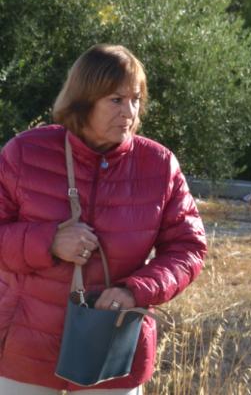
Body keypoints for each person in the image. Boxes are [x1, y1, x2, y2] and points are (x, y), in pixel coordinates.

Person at [0, 44, 207, 394]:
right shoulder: (25, 153)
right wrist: (49, 242)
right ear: (83, 99)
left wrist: (135, 291)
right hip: (25, 350)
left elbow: (188, 248)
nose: (129, 112)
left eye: (135, 99)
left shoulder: (159, 165)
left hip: (111, 349)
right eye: (116, 100)